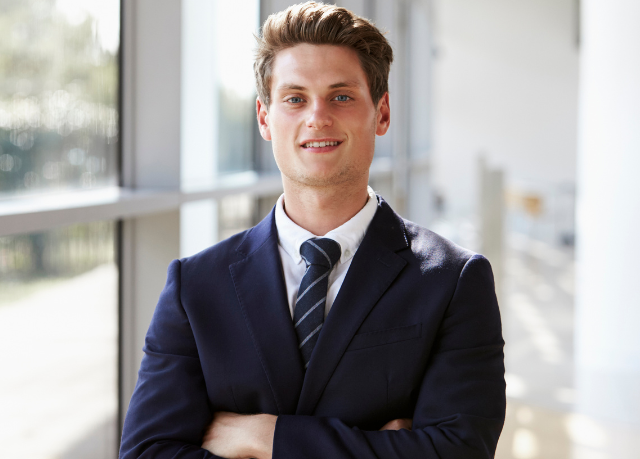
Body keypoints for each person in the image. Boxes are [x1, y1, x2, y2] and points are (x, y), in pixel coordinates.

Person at [119, 2, 505, 458]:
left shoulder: (454, 280)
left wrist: (264, 438)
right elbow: (147, 453)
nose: (317, 117)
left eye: (341, 96)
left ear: (381, 114)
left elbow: (461, 451)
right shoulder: (196, 286)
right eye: (295, 98)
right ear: (265, 118)